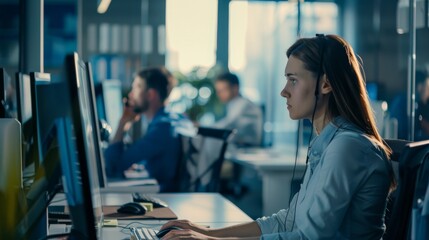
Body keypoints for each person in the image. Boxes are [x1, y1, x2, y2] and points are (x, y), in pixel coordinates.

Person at [159, 34, 396, 239]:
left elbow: (308, 238)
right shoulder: (327, 143)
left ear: (325, 85)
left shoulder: (347, 147)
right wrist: (206, 233)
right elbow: (287, 222)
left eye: (293, 80)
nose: (284, 91)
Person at [104, 67, 189, 192]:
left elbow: (112, 167)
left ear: (150, 94)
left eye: (136, 88)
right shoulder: (175, 119)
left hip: (166, 197)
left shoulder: (161, 129)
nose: (130, 95)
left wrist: (123, 122)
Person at [212, 72, 263, 147]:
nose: (219, 94)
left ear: (235, 88)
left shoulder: (243, 104)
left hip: (248, 149)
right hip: (240, 148)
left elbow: (228, 124)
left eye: (222, 90)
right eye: (218, 91)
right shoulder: (232, 104)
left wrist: (202, 128)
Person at [389, 70, 429, 140]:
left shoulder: (409, 102)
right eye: (428, 87)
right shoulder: (404, 103)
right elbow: (406, 137)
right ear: (419, 87)